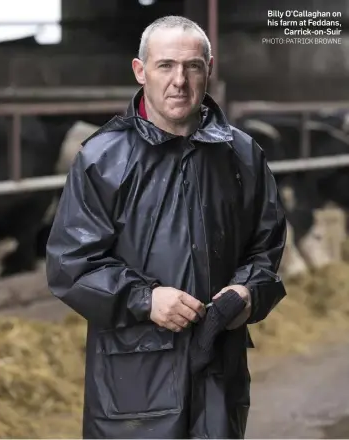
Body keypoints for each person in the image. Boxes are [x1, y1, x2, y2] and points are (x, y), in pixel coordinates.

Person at [46, 15, 287, 439]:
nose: (180, 80)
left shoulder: (242, 155)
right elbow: (70, 264)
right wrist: (146, 299)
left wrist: (247, 294)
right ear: (141, 72)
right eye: (165, 66)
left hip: (218, 377)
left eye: (193, 66)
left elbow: (265, 251)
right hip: (134, 383)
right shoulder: (102, 158)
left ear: (208, 71)